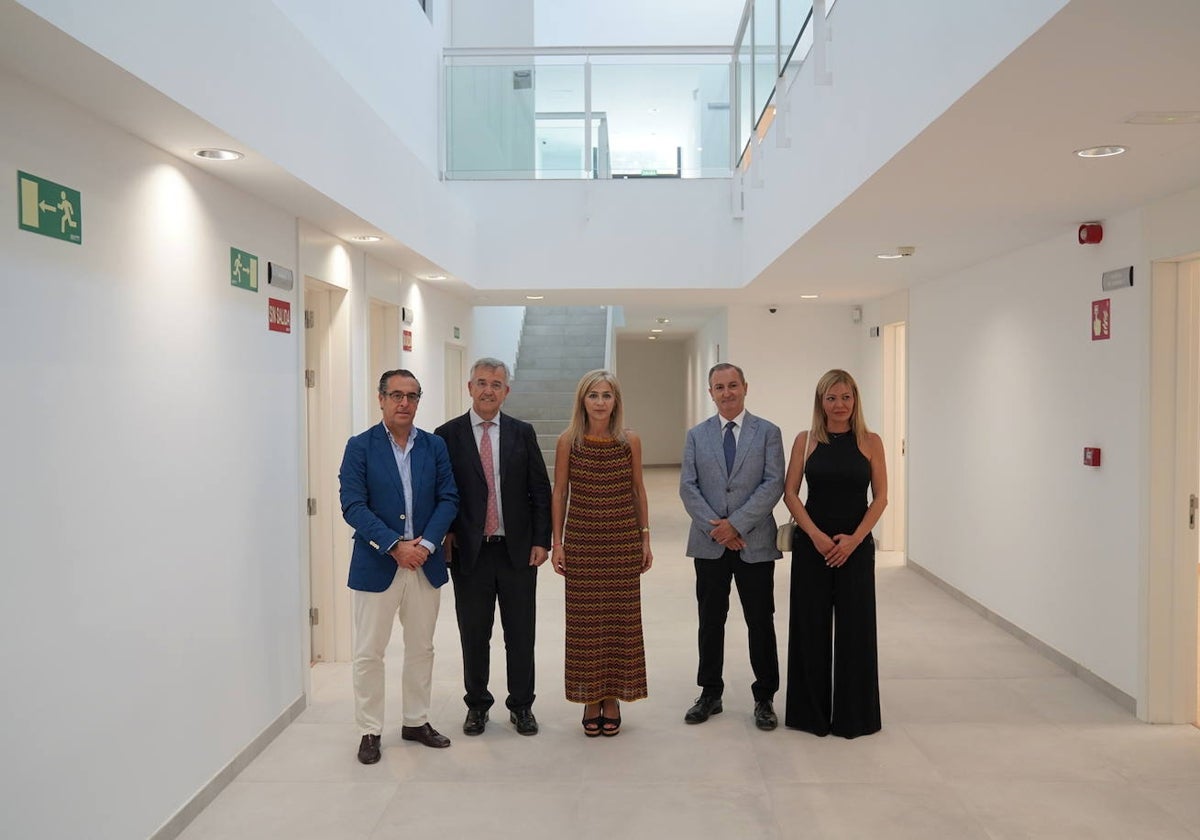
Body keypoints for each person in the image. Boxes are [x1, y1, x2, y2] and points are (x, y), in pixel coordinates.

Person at [339, 369, 459, 764]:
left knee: (421, 648)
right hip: (378, 565)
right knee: (369, 652)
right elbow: (353, 506)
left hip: (424, 563)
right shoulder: (360, 447)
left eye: (411, 396)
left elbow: (449, 499)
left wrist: (424, 545)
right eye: (396, 395)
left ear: (418, 401)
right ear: (381, 399)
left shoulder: (434, 446)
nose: (404, 403)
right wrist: (394, 545)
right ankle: (369, 730)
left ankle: (415, 721)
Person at [434, 358, 552, 737]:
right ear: (469, 388)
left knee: (520, 634)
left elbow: (540, 492)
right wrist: (446, 535)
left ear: (506, 391)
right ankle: (477, 706)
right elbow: (441, 493)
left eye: (496, 384)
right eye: (482, 382)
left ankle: (521, 705)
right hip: (470, 552)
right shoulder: (446, 435)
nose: (488, 390)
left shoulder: (522, 432)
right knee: (474, 633)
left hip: (517, 551)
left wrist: (541, 540)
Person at [679, 362, 785, 731]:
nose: (727, 393)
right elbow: (688, 487)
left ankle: (765, 697)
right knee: (711, 620)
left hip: (753, 543)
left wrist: (736, 525)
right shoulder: (697, 435)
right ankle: (710, 692)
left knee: (760, 620)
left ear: (745, 387)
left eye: (733, 385)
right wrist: (718, 529)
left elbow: (773, 484)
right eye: (719, 387)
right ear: (710, 393)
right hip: (709, 545)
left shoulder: (768, 432)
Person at [783, 369, 887, 738]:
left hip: (855, 549)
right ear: (820, 402)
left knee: (856, 632)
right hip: (813, 547)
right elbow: (791, 493)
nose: (839, 404)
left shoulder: (871, 441)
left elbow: (881, 498)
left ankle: (854, 716)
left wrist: (855, 539)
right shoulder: (805, 440)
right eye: (831, 398)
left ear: (855, 400)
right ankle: (809, 715)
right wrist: (815, 535)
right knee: (809, 628)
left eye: (845, 397)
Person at [550, 370, 652, 736]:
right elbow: (559, 492)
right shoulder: (568, 442)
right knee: (584, 627)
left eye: (607, 395)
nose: (600, 402)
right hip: (582, 544)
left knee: (620, 624)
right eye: (593, 395)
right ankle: (590, 698)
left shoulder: (629, 441)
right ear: (583, 400)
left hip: (622, 542)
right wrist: (557, 543)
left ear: (616, 401)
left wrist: (644, 538)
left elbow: (638, 490)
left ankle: (613, 698)